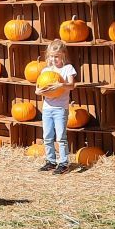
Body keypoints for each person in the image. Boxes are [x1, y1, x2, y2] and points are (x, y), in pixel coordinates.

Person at [35, 39, 78, 175]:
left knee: (61, 137)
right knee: (47, 136)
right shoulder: (46, 70)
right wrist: (40, 91)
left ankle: (64, 163)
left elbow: (72, 85)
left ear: (63, 56)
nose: (54, 59)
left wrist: (61, 85)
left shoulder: (67, 69)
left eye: (57, 57)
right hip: (47, 108)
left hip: (60, 109)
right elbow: (37, 89)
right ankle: (50, 161)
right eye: (51, 56)